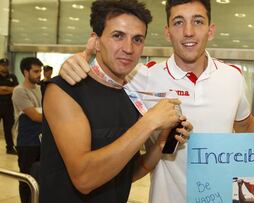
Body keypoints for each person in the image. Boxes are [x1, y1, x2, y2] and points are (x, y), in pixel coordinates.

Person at [59, 0, 254, 202]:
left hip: (221, 196)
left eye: (197, 21)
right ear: (167, 32)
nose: (188, 32)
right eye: (178, 22)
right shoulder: (141, 76)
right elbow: (104, 70)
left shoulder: (232, 76)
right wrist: (76, 61)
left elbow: (245, 125)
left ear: (211, 29)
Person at [39, 0, 192, 203]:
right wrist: (149, 123)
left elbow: (127, 174)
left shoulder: (129, 96)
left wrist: (160, 143)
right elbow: (84, 179)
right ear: (95, 41)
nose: (128, 48)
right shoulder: (64, 90)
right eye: (118, 36)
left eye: (137, 39)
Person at [12, 57, 43, 203]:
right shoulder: (19, 91)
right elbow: (35, 116)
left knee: (40, 176)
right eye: (36, 71)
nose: (39, 74)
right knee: (26, 178)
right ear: (26, 72)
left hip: (41, 140)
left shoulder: (40, 89)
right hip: (26, 142)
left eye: (40, 71)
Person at [0, 58, 18, 155]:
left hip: (8, 107)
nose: (5, 67)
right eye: (3, 65)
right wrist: (9, 89)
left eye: (6, 65)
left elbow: (16, 89)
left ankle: (10, 148)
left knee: (8, 129)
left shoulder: (12, 76)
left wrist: (4, 88)